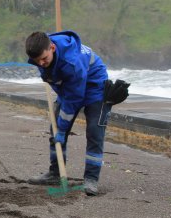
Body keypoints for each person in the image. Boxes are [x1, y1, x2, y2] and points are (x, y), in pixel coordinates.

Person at [26, 30, 109, 196]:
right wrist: (60, 128)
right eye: (37, 61)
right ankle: (55, 174)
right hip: (69, 88)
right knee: (55, 129)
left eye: (44, 59)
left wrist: (63, 130)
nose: (41, 63)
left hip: (95, 88)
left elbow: (74, 98)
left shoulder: (72, 63)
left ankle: (91, 179)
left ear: (52, 48)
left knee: (94, 132)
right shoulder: (42, 49)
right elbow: (61, 85)